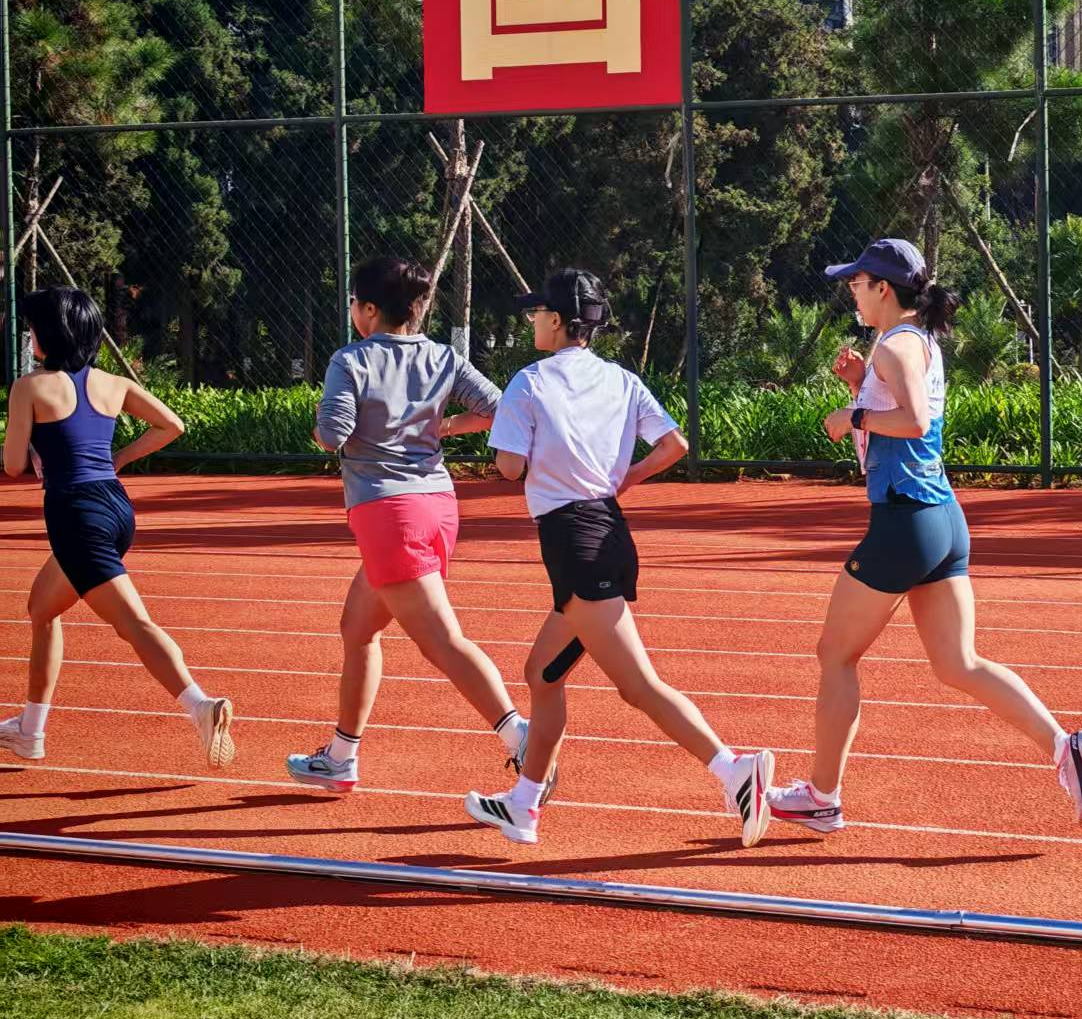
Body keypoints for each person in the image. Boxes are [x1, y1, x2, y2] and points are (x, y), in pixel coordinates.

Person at [767, 238, 1082, 834]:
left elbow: (914, 422)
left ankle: (821, 796)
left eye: (858, 282)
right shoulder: (915, 340)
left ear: (884, 288)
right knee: (958, 663)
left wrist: (853, 414)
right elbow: (905, 419)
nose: (852, 290)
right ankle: (1065, 746)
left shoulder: (895, 344)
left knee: (835, 655)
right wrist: (859, 387)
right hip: (941, 519)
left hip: (904, 522)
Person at [464, 267, 773, 847]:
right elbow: (674, 445)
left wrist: (534, 451)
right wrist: (621, 479)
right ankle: (524, 805)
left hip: (575, 545)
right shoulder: (622, 380)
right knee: (541, 674)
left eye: (538, 313)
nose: (532, 321)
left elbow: (508, 467)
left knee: (638, 686)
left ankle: (735, 771)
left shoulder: (529, 382)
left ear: (559, 321)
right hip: (605, 534)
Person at [285, 257, 543, 796]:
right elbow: (498, 408)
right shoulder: (443, 356)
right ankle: (340, 757)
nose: (353, 312)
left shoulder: (350, 359)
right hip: (436, 505)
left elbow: (333, 433)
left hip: (389, 512)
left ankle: (523, 738)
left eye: (353, 303)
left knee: (442, 641)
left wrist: (326, 430)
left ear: (368, 308)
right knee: (358, 630)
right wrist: (442, 427)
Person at [0, 286, 235, 766]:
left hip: (75, 514)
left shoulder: (29, 387)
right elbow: (172, 425)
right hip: (115, 508)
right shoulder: (113, 383)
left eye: (32, 328)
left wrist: (36, 442)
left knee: (134, 623)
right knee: (42, 607)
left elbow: (13, 465)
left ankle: (201, 705)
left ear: (49, 334)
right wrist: (120, 457)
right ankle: (30, 729)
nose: (29, 336)